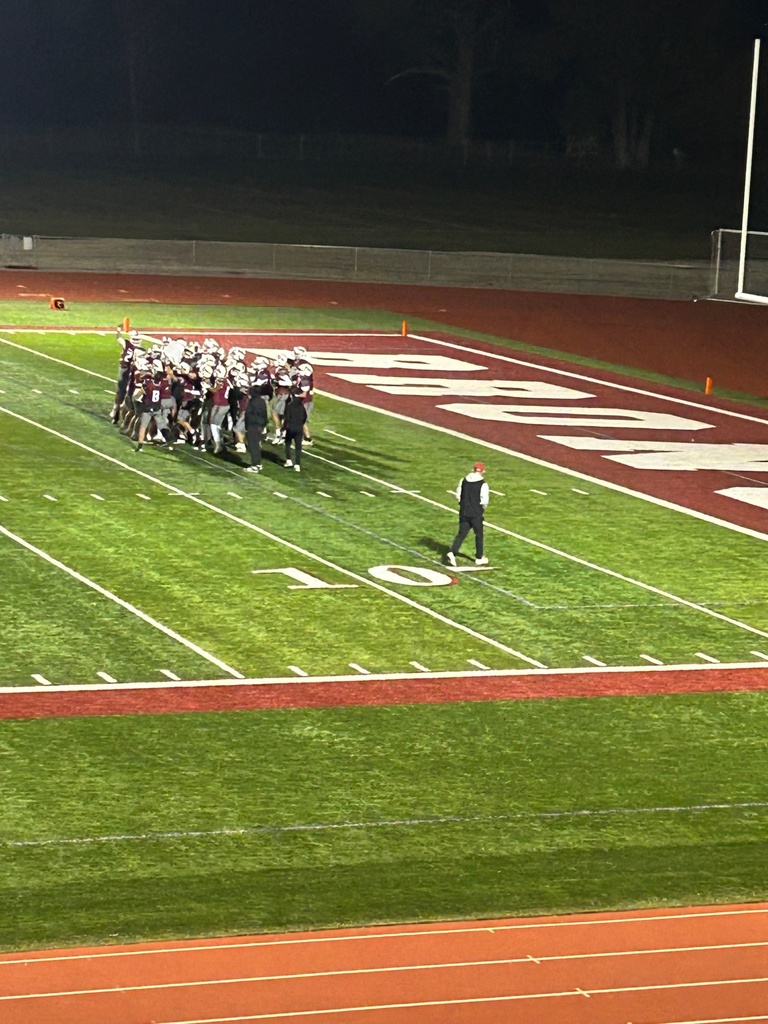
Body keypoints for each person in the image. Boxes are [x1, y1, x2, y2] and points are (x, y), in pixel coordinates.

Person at [446, 462, 490, 566]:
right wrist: (480, 510)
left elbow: (458, 495)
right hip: (476, 513)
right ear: (483, 471)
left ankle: (452, 552)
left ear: (473, 469)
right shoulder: (483, 484)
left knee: (461, 533)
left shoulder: (463, 480)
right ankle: (479, 557)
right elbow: (484, 501)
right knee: (479, 534)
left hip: (464, 512)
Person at [243, 384, 269, 473]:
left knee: (253, 446)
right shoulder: (262, 401)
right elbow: (265, 414)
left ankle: (255, 465)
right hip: (260, 425)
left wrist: (247, 426)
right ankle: (258, 464)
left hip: (253, 425)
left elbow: (248, 415)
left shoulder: (252, 401)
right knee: (256, 446)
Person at [283, 387, 307, 472]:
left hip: (291, 428)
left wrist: (284, 428)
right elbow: (305, 417)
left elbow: (286, 418)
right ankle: (297, 464)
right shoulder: (301, 406)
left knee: (288, 443)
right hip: (299, 428)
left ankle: (289, 460)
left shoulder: (290, 405)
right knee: (298, 447)